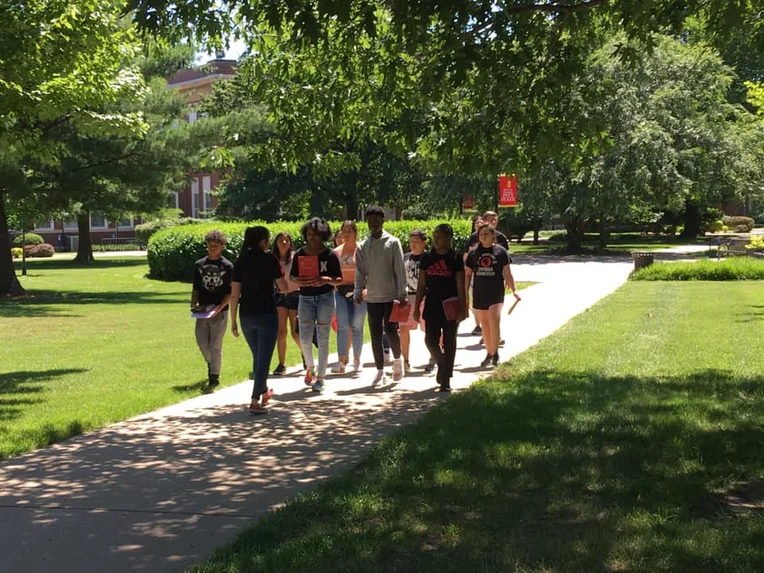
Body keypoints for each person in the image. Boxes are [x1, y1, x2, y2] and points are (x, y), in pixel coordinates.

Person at [229, 226, 288, 414]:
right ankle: (255, 400)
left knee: (258, 357)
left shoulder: (240, 262)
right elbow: (283, 287)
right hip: (267, 313)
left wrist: (232, 321)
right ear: (263, 240)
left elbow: (234, 295)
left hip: (246, 315)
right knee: (263, 360)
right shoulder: (270, 259)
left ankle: (264, 391)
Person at [354, 206, 408, 385]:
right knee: (375, 335)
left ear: (383, 221)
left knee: (391, 331)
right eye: (370, 221)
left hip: (391, 296)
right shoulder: (362, 246)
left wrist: (402, 293)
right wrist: (357, 292)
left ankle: (398, 361)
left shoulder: (392, 242)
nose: (373, 223)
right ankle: (379, 370)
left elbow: (399, 269)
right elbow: (360, 272)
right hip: (373, 297)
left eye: (377, 220)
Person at [291, 217, 343, 392]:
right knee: (304, 336)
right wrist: (298, 280)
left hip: (325, 298)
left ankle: (321, 377)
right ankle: (310, 367)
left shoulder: (330, 255)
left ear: (323, 235)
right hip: (305, 298)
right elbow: (292, 276)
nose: (311, 237)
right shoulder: (300, 254)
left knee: (323, 337)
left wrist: (324, 279)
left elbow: (339, 279)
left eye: (315, 234)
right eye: (309, 234)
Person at [414, 223, 467, 392]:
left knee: (450, 341)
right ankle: (443, 365)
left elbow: (461, 284)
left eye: (440, 236)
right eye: (434, 235)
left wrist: (463, 307)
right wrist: (416, 307)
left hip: (450, 304)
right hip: (432, 304)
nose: (436, 239)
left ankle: (446, 379)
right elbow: (421, 284)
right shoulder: (427, 257)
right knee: (430, 340)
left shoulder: (456, 258)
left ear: (449, 238)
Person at [465, 224, 521, 368]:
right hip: (479, 291)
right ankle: (488, 353)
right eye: (481, 234)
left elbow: (508, 273)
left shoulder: (500, 251)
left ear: (492, 236)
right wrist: (465, 293)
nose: (483, 236)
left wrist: (514, 290)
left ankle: (495, 353)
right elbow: (467, 274)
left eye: (486, 234)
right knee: (484, 324)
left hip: (495, 291)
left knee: (494, 321)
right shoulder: (473, 253)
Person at [191, 230, 234, 391]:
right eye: (210, 246)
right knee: (202, 342)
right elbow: (196, 287)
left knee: (215, 344)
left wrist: (219, 309)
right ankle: (211, 362)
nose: (213, 248)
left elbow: (230, 292)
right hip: (203, 309)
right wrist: (193, 304)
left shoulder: (227, 266)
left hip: (220, 310)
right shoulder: (199, 265)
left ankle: (214, 377)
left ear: (222, 246)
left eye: (216, 246)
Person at [332, 220, 366, 375]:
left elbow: (370, 271)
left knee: (357, 325)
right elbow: (332, 274)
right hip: (341, 292)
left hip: (359, 291)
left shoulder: (362, 250)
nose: (346, 234)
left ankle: (357, 359)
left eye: (349, 231)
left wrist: (366, 289)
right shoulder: (336, 252)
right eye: (344, 231)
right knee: (343, 326)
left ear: (355, 233)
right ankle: (341, 360)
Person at [400, 229, 431, 372]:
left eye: (416, 241)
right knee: (404, 328)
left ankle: (433, 356)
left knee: (429, 329)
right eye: (411, 241)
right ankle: (405, 360)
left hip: (426, 297)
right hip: (408, 297)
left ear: (424, 242)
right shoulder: (405, 258)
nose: (413, 244)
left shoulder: (429, 258)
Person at [271, 232, 301, 375]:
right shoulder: (272, 259)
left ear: (290, 243)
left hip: (295, 295)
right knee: (281, 332)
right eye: (281, 240)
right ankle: (281, 364)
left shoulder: (295, 257)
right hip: (280, 297)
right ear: (276, 243)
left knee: (296, 332)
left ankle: (306, 357)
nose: (284, 243)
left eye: (286, 240)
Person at [462, 216, 484, 336]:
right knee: (473, 298)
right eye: (477, 222)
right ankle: (478, 325)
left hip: (485, 273)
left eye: (481, 222)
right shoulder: (471, 238)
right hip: (473, 272)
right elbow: (466, 254)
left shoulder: (490, 237)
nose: (479, 223)